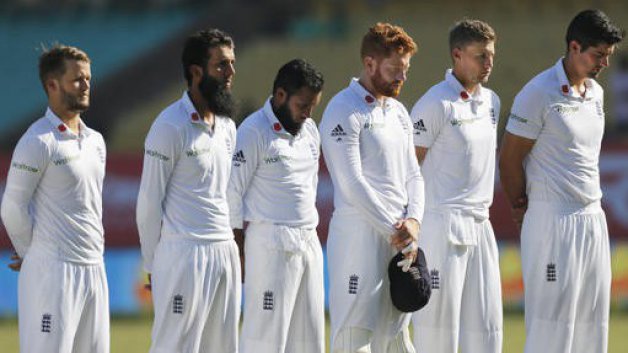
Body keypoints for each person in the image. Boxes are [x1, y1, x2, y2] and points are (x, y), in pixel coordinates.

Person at [499, 9, 624, 353]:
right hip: (552, 220)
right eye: (598, 55)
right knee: (551, 328)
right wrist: (522, 206)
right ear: (574, 47)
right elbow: (509, 159)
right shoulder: (538, 92)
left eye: (607, 56)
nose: (603, 63)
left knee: (593, 324)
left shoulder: (596, 94)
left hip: (592, 218)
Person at [320, 22, 424, 353]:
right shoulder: (343, 109)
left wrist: (414, 223)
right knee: (354, 339)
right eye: (394, 69)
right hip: (359, 238)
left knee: (396, 339)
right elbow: (351, 184)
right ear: (369, 64)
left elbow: (414, 175)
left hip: (400, 238)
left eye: (405, 70)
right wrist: (395, 229)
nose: (401, 78)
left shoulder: (399, 113)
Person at [136, 29, 240, 353]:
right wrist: (154, 265)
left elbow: (225, 193)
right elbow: (149, 203)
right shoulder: (169, 126)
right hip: (183, 254)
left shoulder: (227, 126)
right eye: (222, 65)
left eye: (232, 64)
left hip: (224, 252)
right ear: (196, 72)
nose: (231, 73)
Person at [1, 45, 109, 353]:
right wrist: (32, 254)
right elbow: (12, 206)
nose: (86, 85)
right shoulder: (37, 140)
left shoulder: (96, 141)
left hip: (94, 268)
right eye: (77, 79)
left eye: (88, 78)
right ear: (52, 85)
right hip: (53, 273)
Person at [409, 19, 502, 353]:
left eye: (491, 55)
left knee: (488, 330)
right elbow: (408, 168)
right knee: (438, 333)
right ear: (457, 55)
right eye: (480, 56)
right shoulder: (434, 104)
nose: (488, 62)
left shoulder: (492, 102)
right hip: (441, 225)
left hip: (481, 224)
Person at [228, 58, 325, 353]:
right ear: (281, 95)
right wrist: (239, 248)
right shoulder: (253, 131)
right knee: (265, 339)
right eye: (303, 105)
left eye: (313, 106)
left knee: (311, 340)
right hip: (270, 244)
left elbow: (310, 187)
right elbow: (232, 192)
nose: (308, 113)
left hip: (308, 241)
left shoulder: (310, 131)